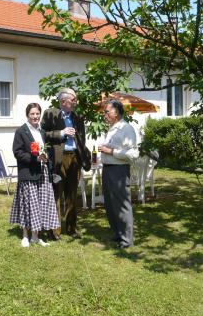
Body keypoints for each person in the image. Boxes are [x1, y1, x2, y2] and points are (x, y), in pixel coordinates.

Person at [41, 87, 91, 240]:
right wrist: (61, 133)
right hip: (59, 159)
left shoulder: (78, 116)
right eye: (73, 100)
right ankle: (54, 231)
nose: (76, 102)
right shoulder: (50, 114)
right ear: (63, 101)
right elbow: (42, 133)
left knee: (71, 194)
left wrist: (83, 154)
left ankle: (71, 228)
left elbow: (82, 138)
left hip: (74, 157)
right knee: (57, 193)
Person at [10, 103, 60, 247]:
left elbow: (45, 150)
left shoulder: (42, 131)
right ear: (27, 115)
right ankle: (25, 236)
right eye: (32, 114)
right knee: (28, 205)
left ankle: (35, 236)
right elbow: (17, 152)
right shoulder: (21, 131)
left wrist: (46, 157)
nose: (35, 116)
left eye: (37, 113)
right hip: (28, 173)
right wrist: (34, 159)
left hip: (42, 173)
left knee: (40, 205)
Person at [98, 100, 139, 249]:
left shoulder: (126, 128)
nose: (105, 115)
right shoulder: (111, 128)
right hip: (108, 169)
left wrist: (111, 151)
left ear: (116, 112)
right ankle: (118, 233)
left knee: (122, 204)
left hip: (119, 171)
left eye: (107, 112)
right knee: (110, 204)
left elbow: (133, 154)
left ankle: (127, 239)